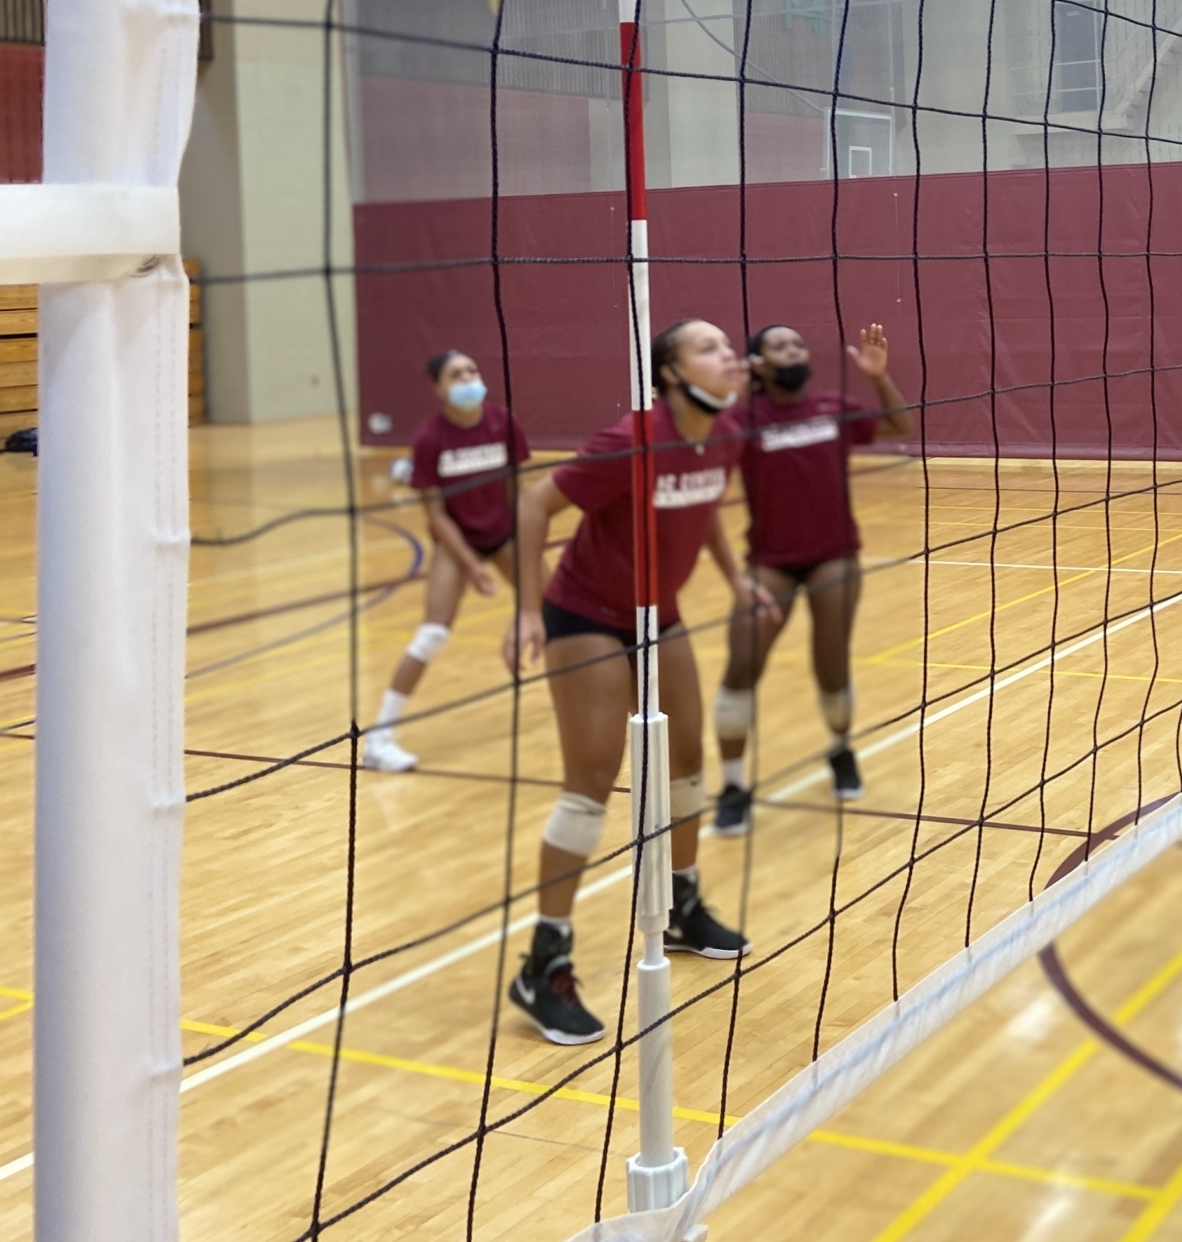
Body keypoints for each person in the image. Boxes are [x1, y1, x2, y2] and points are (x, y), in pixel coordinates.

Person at [504, 319, 761, 1042]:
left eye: (726, 345)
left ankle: (681, 908)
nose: (728, 355)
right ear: (673, 373)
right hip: (584, 614)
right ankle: (542, 962)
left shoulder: (726, 432)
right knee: (591, 781)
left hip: (660, 614)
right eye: (708, 348)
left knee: (686, 760)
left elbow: (700, 502)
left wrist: (736, 579)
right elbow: (532, 505)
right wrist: (526, 610)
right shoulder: (633, 439)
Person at [710, 321, 913, 835]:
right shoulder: (740, 419)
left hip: (834, 555)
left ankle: (840, 749)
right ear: (757, 363)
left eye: (798, 342)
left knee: (830, 665)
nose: (793, 350)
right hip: (769, 562)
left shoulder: (831, 408)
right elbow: (699, 452)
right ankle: (734, 784)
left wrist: (879, 377)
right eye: (780, 345)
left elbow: (898, 427)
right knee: (741, 664)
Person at [366, 350, 530, 772]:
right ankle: (379, 741)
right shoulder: (429, 439)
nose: (468, 379)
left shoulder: (502, 423)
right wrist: (472, 566)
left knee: (559, 610)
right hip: (457, 542)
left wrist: (524, 562)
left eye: (472, 371)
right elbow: (436, 516)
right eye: (456, 375)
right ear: (439, 389)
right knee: (433, 634)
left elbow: (520, 496)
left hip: (503, 534)